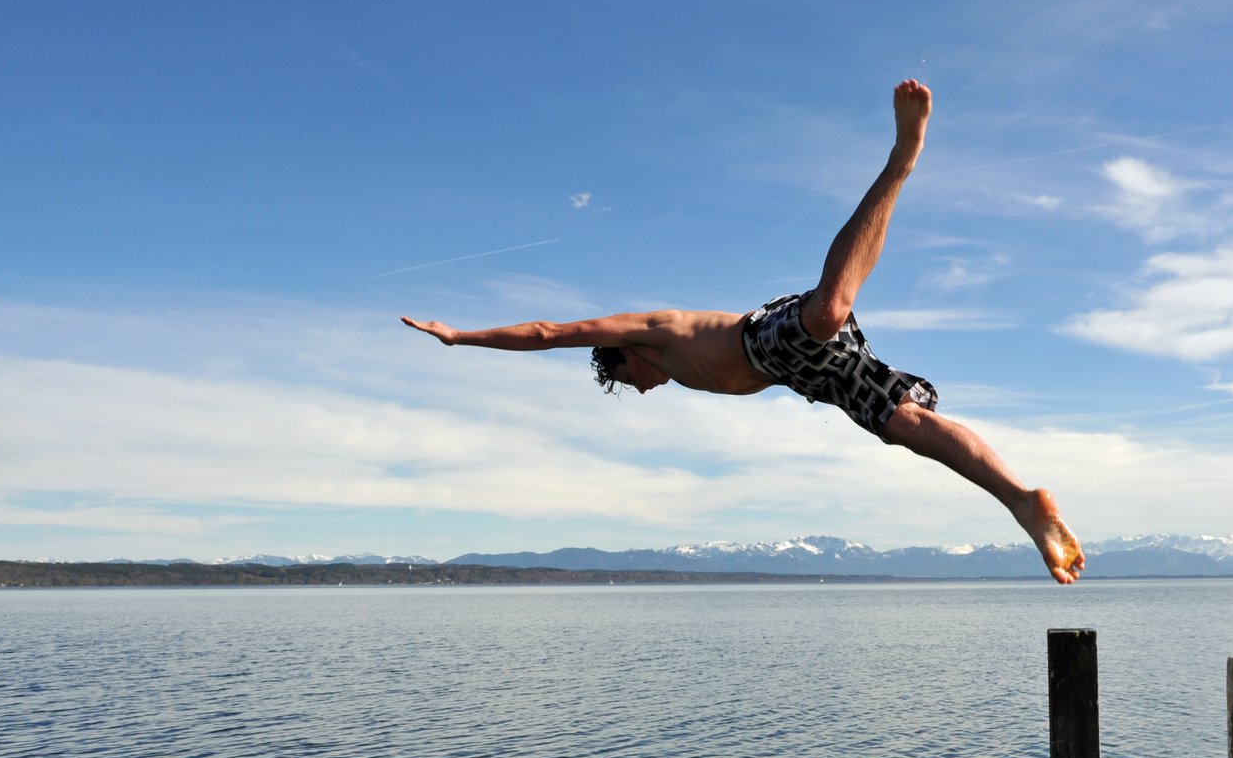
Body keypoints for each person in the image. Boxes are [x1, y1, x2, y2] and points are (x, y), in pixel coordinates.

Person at [403, 80, 1085, 584]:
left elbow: (551, 330)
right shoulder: (672, 364)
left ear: (626, 352)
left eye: (627, 380)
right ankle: (1022, 500)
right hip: (805, 376)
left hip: (770, 336)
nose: (641, 391)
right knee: (904, 424)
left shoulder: (653, 329)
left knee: (825, 313)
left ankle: (901, 161)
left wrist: (463, 337)